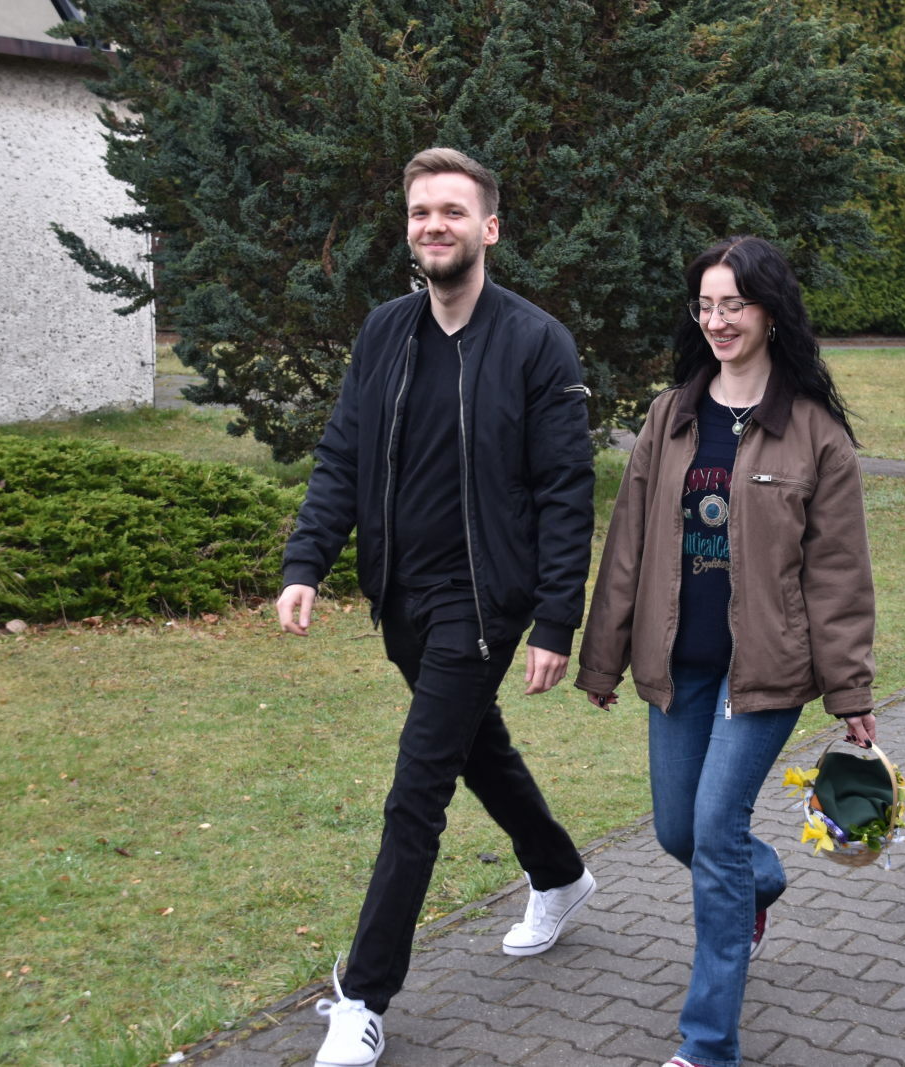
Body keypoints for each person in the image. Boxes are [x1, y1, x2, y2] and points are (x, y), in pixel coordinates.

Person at [277, 147, 597, 1067]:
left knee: (417, 789)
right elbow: (343, 454)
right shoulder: (385, 331)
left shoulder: (536, 341)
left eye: (452, 211)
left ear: (488, 227)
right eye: (421, 212)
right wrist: (307, 561)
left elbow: (565, 490)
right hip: (401, 597)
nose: (434, 226)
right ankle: (560, 873)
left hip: (483, 602)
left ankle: (363, 996)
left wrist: (554, 619)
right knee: (473, 745)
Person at [575, 235, 877, 1067]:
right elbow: (628, 545)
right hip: (679, 665)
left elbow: (838, 573)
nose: (717, 320)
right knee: (680, 830)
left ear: (769, 312)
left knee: (715, 828)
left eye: (733, 305)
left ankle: (708, 1044)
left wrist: (850, 691)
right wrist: (602, 657)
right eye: (705, 305)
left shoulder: (813, 433)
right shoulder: (670, 416)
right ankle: (758, 882)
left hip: (765, 671)